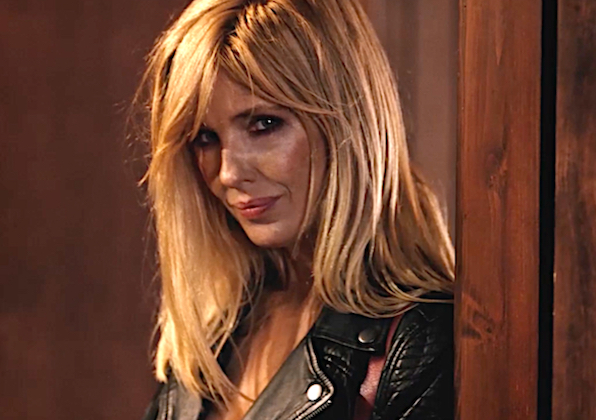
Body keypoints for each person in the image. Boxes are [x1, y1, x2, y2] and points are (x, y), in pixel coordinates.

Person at [139, 0, 454, 419]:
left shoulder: (418, 342)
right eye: (205, 138)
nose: (228, 173)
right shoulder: (216, 332)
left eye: (264, 124)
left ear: (345, 121)